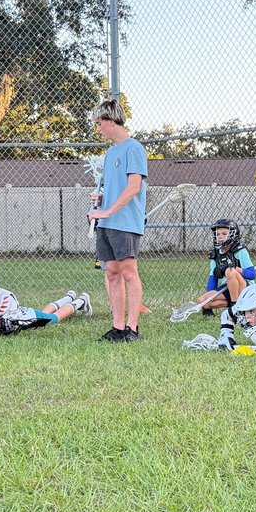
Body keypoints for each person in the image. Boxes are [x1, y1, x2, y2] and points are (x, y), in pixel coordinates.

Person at [88, 99, 149, 342]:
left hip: (124, 222)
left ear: (112, 122)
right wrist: (101, 199)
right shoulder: (110, 152)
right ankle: (118, 327)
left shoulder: (134, 149)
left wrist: (108, 211)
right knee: (111, 272)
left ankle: (132, 329)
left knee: (128, 272)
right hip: (107, 221)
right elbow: (116, 187)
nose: (98, 128)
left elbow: (134, 186)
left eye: (99, 123)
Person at [197, 219, 256, 319]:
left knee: (230, 271)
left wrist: (235, 269)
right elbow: (213, 278)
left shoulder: (240, 251)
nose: (220, 236)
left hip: (244, 287)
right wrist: (208, 298)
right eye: (218, 234)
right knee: (202, 301)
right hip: (228, 287)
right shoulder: (215, 255)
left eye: (224, 234)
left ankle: (234, 308)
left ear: (233, 235)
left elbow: (252, 274)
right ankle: (238, 305)